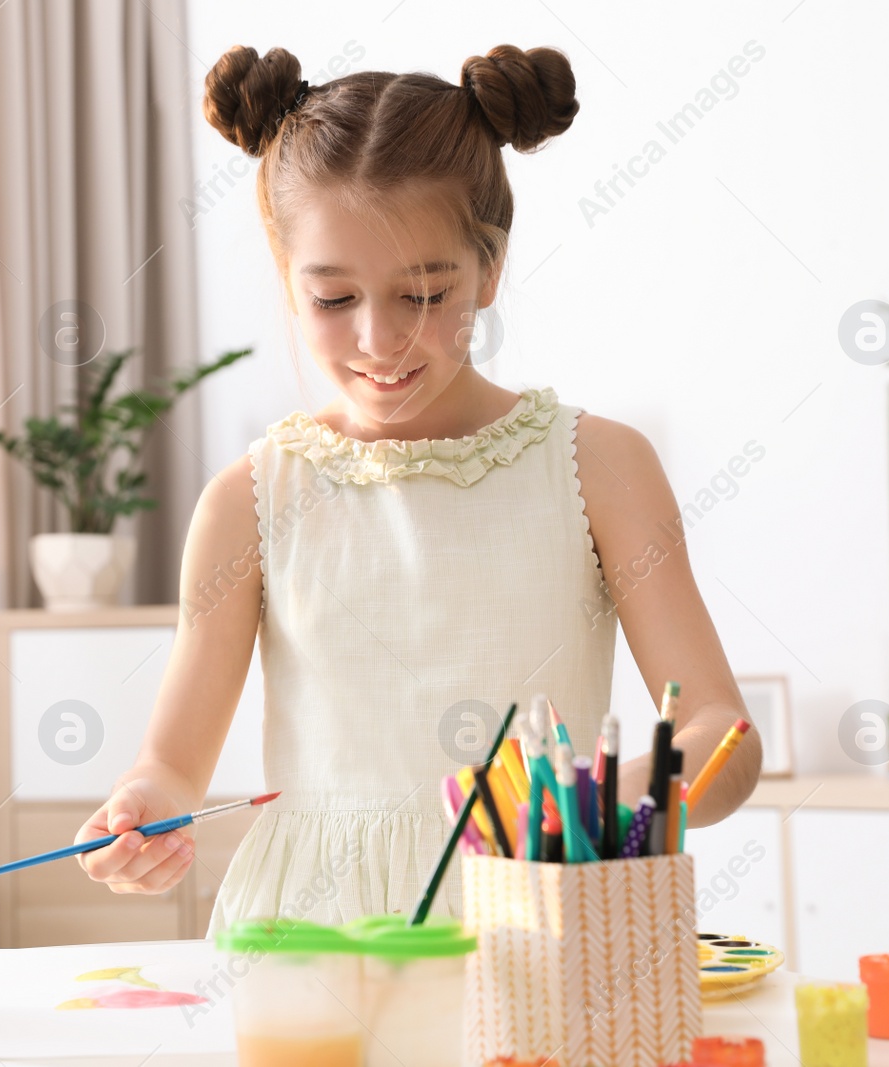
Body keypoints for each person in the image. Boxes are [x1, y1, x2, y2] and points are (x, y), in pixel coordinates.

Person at [74, 43, 762, 930]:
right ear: (289, 281)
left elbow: (722, 736)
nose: (380, 339)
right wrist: (139, 815)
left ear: (489, 270)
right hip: (308, 940)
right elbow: (170, 765)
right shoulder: (248, 498)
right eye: (332, 300)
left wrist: (593, 802)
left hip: (537, 922)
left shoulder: (599, 466)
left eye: (426, 294)